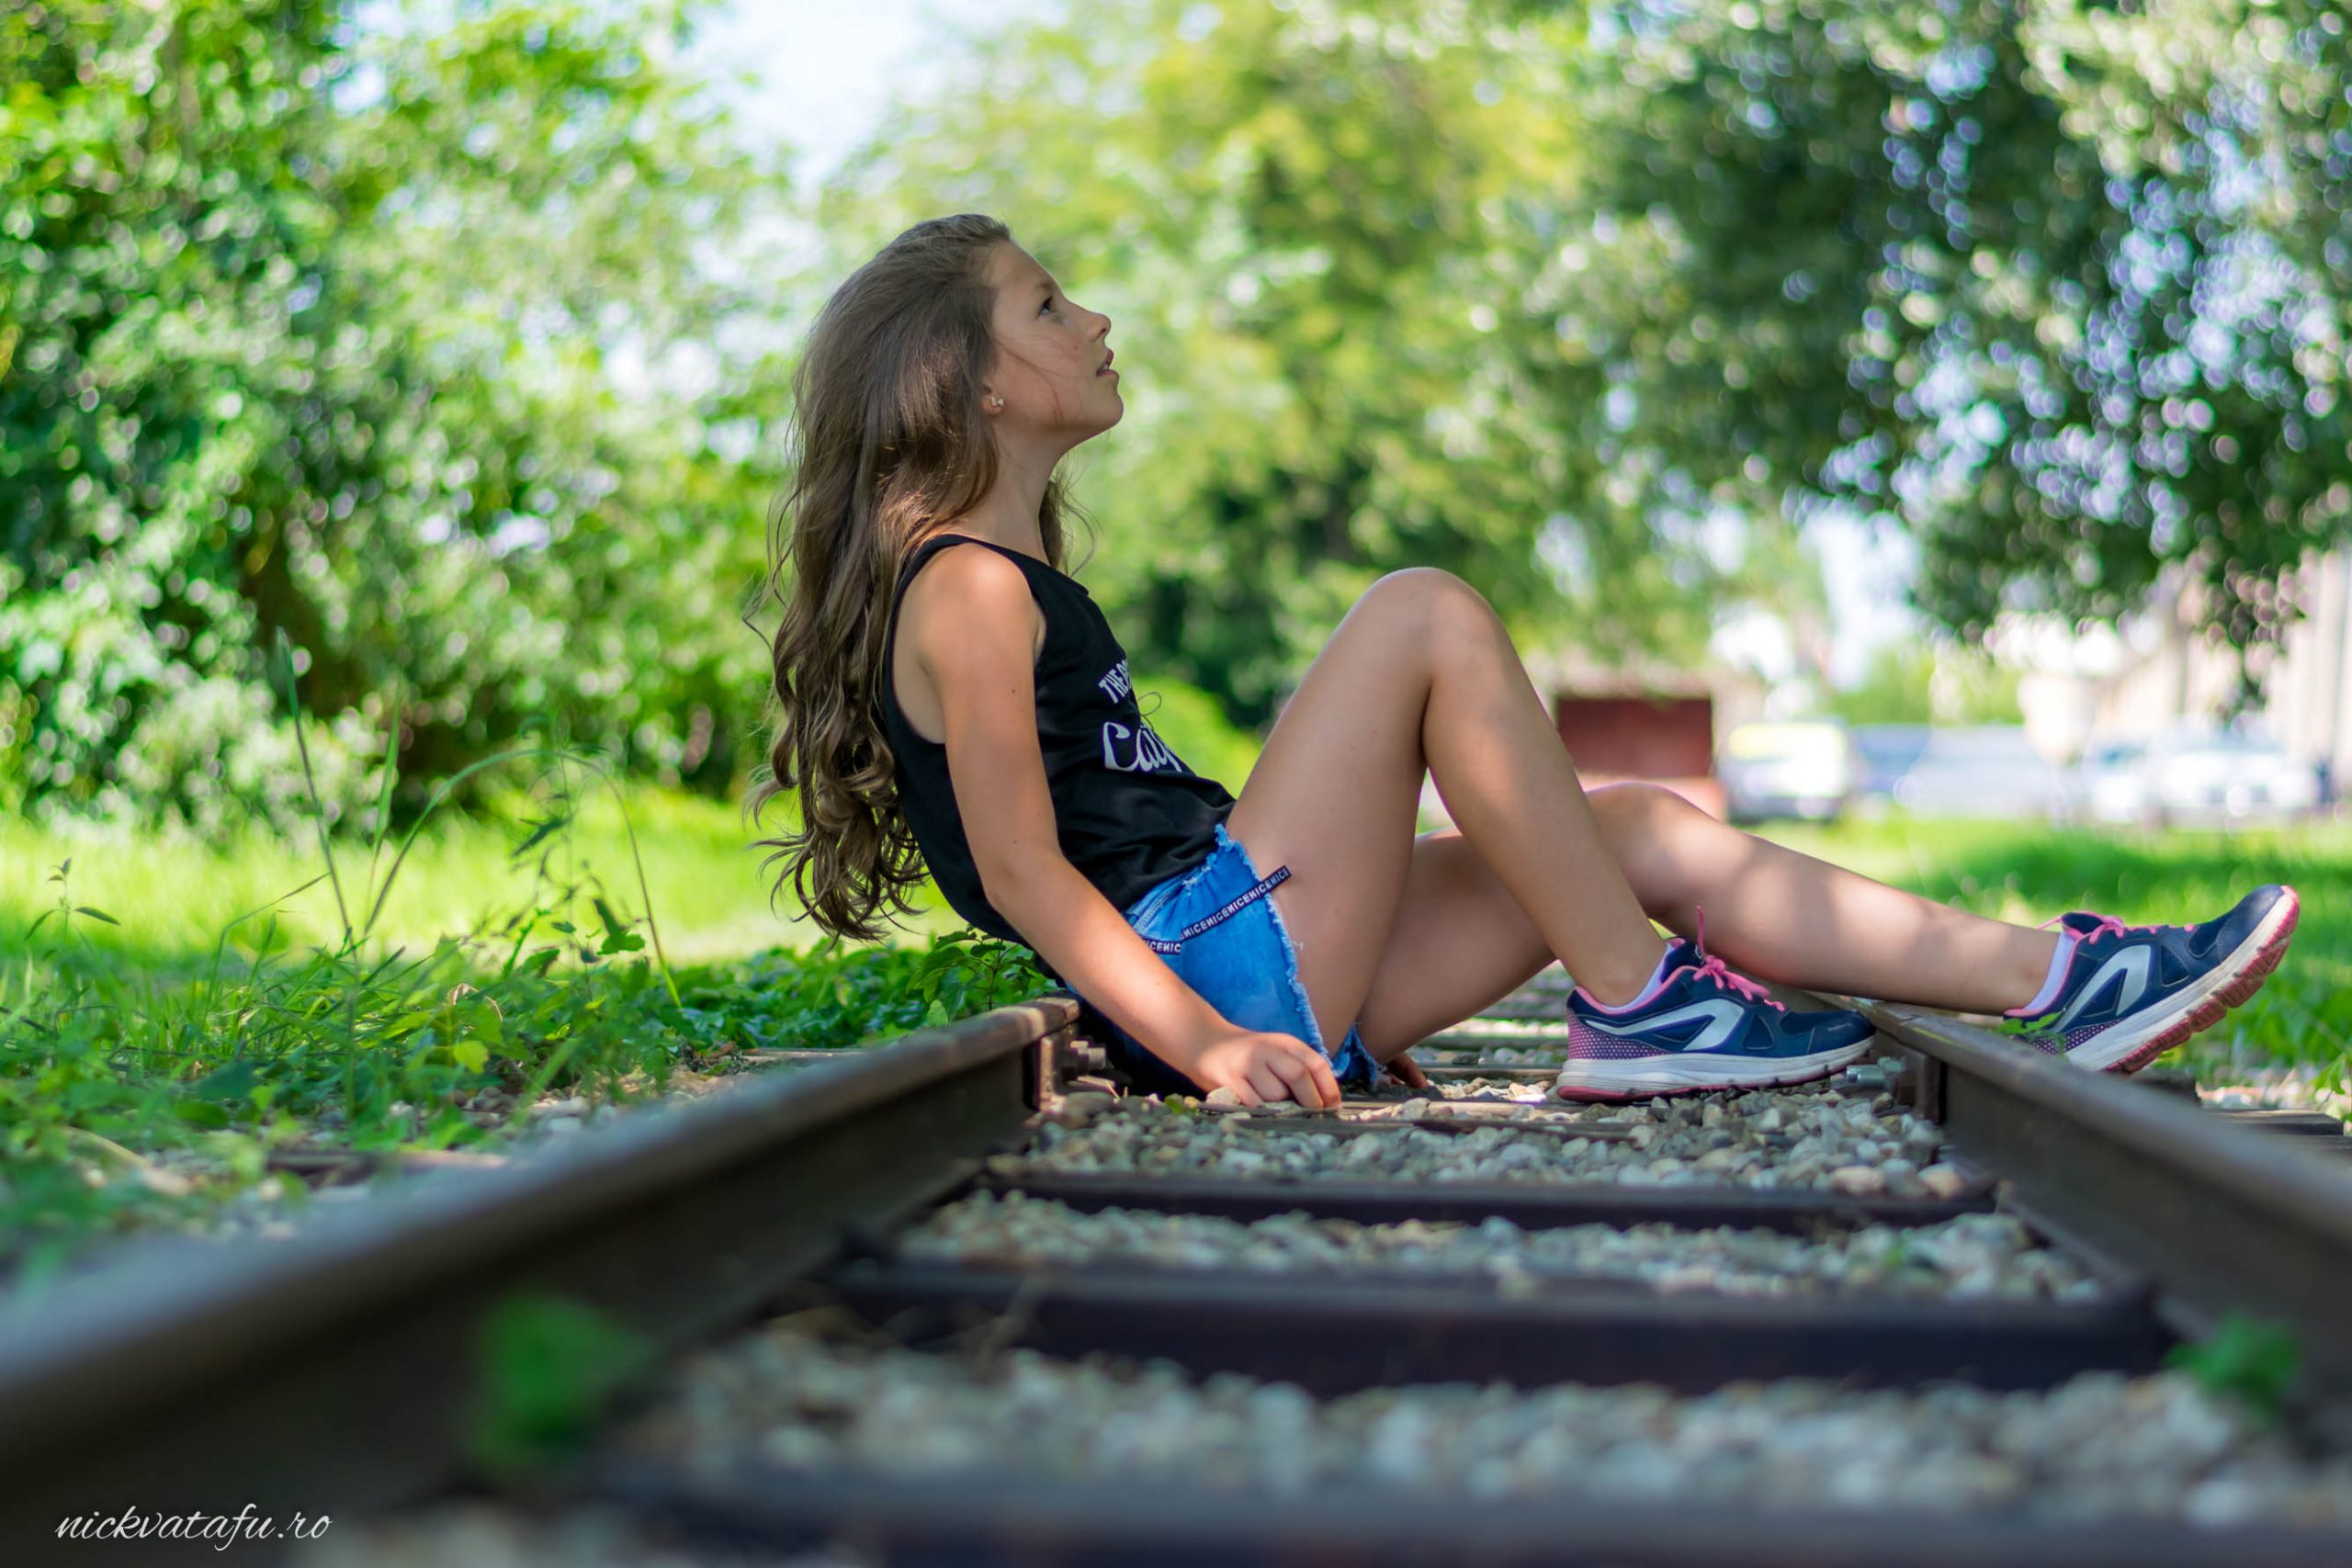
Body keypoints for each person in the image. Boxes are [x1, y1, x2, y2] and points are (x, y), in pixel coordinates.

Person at [750, 214, 2300, 1110]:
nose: (1094, 319)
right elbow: (1029, 875)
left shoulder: (1004, 580)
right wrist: (1216, 1045)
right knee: (1421, 608)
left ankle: (2068, 978)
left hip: (1248, 948)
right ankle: (1641, 1009)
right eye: (1046, 302)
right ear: (966, 380)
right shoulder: (963, 592)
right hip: (1215, 970)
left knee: (1627, 828)